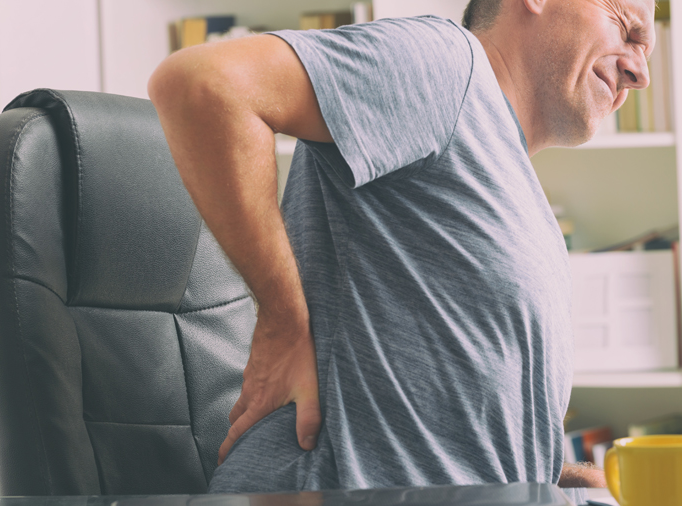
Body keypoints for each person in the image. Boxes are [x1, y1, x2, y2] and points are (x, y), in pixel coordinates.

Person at [147, 0, 654, 497]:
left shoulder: (519, 190)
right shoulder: (447, 65)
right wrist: (282, 322)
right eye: (628, 30)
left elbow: (438, 421)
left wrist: (551, 480)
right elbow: (203, 85)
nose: (640, 72)